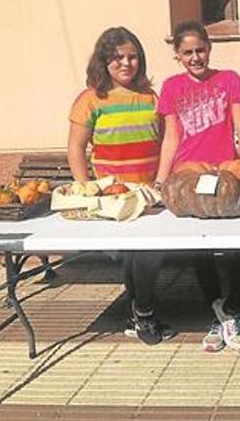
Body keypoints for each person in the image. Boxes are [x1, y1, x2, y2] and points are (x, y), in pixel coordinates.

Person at [68, 26, 174, 345]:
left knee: (146, 255)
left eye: (133, 57)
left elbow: (168, 138)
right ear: (104, 61)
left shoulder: (151, 97)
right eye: (117, 58)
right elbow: (76, 148)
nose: (126, 64)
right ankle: (142, 313)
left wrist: (162, 180)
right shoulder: (90, 100)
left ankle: (139, 311)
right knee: (135, 256)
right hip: (113, 199)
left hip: (149, 195)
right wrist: (86, 189)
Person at [153, 21, 240, 352]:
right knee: (201, 249)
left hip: (226, 174)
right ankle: (218, 312)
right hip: (190, 177)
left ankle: (232, 308)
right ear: (177, 55)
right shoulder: (170, 87)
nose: (195, 57)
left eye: (200, 50)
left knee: (239, 247)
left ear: (209, 49)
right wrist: (161, 177)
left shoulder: (229, 80)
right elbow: (172, 136)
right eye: (187, 52)